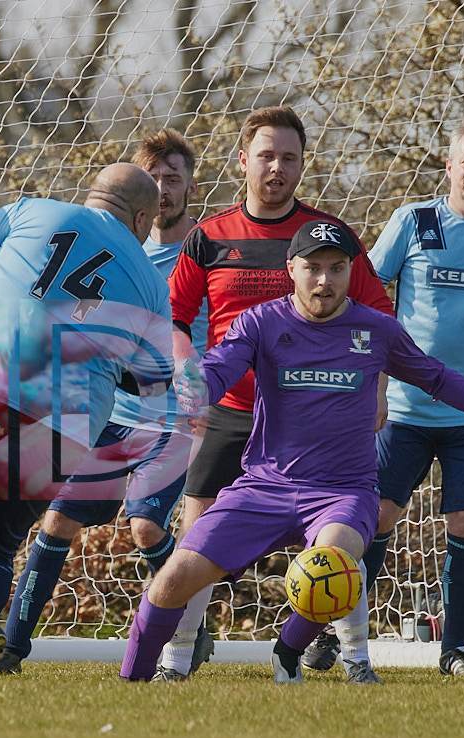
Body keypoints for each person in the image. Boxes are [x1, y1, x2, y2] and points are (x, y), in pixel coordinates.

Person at [120, 220, 464, 684]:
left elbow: (435, 376)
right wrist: (191, 391)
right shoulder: (261, 323)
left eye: (337, 268)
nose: (324, 280)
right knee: (173, 579)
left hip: (343, 492)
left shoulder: (376, 330)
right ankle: (135, 679)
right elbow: (219, 370)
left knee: (335, 562)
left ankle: (289, 648)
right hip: (263, 487)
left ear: (351, 271)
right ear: (291, 269)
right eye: (313, 268)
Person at [0, 163, 175, 677]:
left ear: (93, 194)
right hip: (70, 429)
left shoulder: (32, 212)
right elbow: (151, 378)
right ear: (141, 219)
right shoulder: (153, 286)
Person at [303, 113, 464, 677]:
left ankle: (456, 649)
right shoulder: (414, 221)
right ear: (448, 167)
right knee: (375, 517)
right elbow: (365, 297)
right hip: (404, 409)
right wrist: (368, 384)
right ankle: (331, 629)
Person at [164, 105, 395, 681]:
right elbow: (173, 316)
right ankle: (176, 658)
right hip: (229, 412)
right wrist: (189, 376)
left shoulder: (330, 237)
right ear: (243, 160)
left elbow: (378, 317)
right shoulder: (208, 237)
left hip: (313, 419)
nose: (277, 168)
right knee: (196, 536)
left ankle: (356, 659)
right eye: (266, 156)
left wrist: (378, 389)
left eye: (288, 158)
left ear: (301, 165)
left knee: (335, 545)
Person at [0, 129, 208, 675]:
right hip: (107, 415)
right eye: (153, 178)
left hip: (174, 423)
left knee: (146, 527)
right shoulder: (111, 250)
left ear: (189, 187)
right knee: (57, 519)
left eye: (173, 178)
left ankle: (185, 629)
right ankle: (10, 649)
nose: (163, 188)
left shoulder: (204, 252)